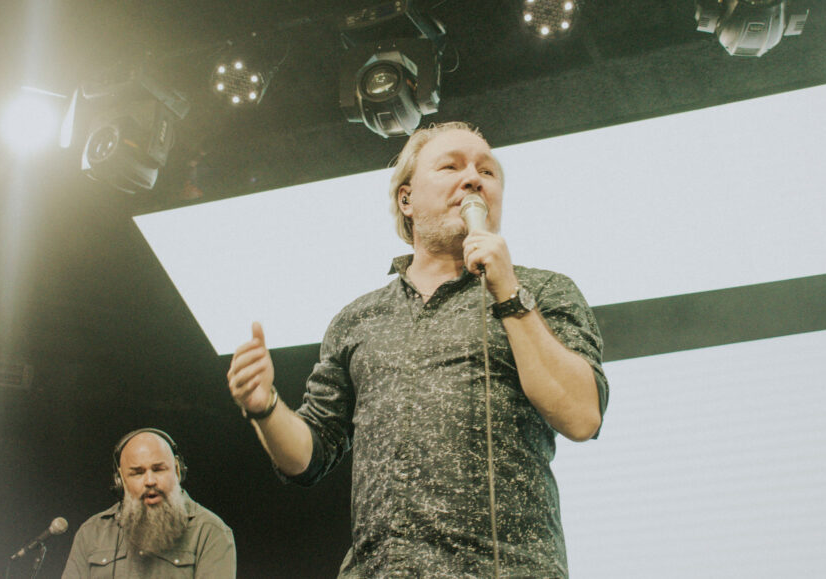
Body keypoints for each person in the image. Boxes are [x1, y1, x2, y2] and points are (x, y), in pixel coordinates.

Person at [227, 121, 608, 577]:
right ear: (406, 199)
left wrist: (508, 291)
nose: (472, 179)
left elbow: (582, 416)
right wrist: (265, 406)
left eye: (488, 172)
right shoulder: (357, 319)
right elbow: (309, 458)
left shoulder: (543, 291)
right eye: (450, 166)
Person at [62, 429, 236, 578]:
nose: (150, 481)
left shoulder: (211, 532)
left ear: (177, 470)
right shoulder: (91, 533)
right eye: (137, 473)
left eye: (159, 469)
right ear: (121, 480)